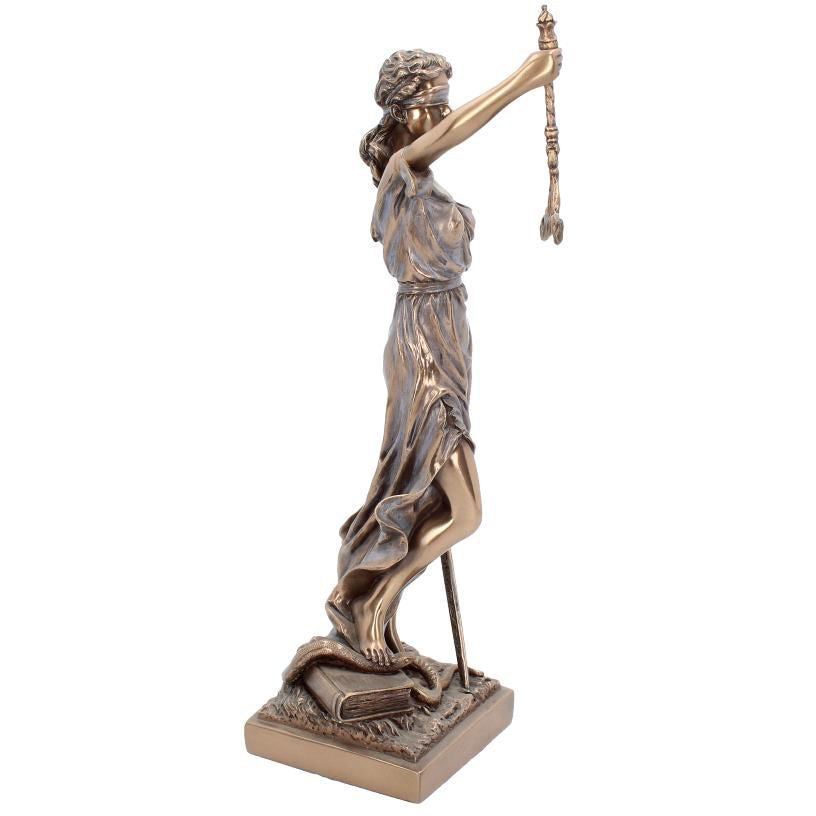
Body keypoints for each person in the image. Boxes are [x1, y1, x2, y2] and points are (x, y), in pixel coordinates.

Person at [326, 46, 562, 665]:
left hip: (449, 334)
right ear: (402, 113)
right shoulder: (399, 172)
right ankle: (375, 599)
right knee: (465, 509)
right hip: (422, 343)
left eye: (444, 104)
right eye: (432, 105)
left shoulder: (425, 183)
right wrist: (525, 79)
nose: (442, 115)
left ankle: (379, 604)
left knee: (444, 497)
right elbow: (458, 131)